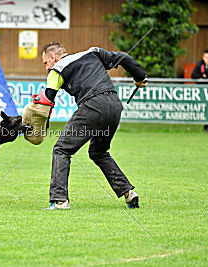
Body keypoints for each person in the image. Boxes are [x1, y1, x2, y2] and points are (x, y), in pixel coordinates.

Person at [34, 42, 147, 210]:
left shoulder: (56, 69)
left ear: (52, 57)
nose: (46, 67)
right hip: (114, 105)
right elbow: (124, 57)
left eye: (45, 63)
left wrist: (36, 123)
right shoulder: (93, 53)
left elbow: (47, 100)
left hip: (93, 106)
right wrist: (139, 78)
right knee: (98, 152)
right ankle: (128, 192)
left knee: (61, 149)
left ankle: (60, 201)